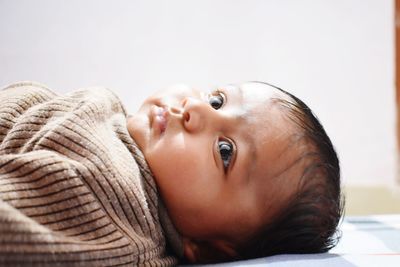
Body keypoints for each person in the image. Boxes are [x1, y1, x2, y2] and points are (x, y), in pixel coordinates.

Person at [0, 81, 343, 266]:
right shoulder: (124, 138)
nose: (193, 109)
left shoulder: (111, 207)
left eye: (225, 151)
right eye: (217, 100)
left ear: (210, 251)